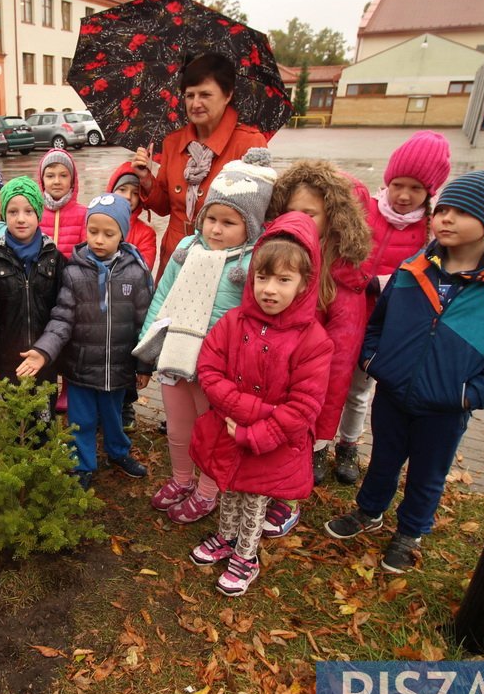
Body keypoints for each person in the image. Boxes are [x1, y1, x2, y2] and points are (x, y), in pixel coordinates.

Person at [324, 170, 484, 574]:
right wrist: (374, 362)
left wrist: (467, 395)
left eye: (461, 213)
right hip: (392, 393)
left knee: (428, 472)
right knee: (384, 458)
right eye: (443, 210)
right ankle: (368, 511)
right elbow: (377, 325)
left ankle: (410, 531)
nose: (446, 219)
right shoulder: (412, 269)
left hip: (445, 406)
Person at [187, 213, 333, 596]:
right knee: (229, 488)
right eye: (262, 278)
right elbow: (209, 368)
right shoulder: (235, 322)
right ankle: (225, 537)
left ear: (304, 285)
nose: (270, 289)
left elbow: (303, 406)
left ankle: (245, 557)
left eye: (284, 280)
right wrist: (244, 410)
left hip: (271, 444)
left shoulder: (312, 340)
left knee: (254, 501)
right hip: (230, 431)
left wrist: (256, 427)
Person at [136, 149, 276, 525]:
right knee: (179, 427)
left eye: (229, 222)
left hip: (217, 368)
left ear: (252, 224)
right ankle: (182, 478)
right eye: (211, 218)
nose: (215, 229)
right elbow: (162, 295)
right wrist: (148, 346)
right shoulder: (185, 249)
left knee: (211, 432)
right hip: (176, 353)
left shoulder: (251, 264)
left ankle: (208, 490)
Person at [332, 131, 451, 485]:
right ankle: (318, 444)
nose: (403, 195)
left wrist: (385, 284)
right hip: (346, 312)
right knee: (329, 384)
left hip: (386, 325)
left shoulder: (432, 229)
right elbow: (339, 253)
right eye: (398, 184)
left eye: (415, 188)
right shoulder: (364, 210)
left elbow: (431, 280)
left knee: (358, 390)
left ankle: (348, 444)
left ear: (430, 191)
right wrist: (362, 280)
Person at [17, 195, 153, 490]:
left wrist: (144, 365)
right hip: (79, 369)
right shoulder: (74, 272)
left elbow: (144, 322)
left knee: (114, 418)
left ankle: (118, 453)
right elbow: (61, 319)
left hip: (118, 368)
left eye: (109, 233)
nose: (99, 240)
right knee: (81, 421)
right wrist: (43, 352)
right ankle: (82, 464)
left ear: (122, 234)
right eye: (93, 232)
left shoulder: (136, 272)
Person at [264, 161, 372, 523]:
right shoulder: (283, 256)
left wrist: (323, 431)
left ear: (334, 217)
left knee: (298, 442)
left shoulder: (343, 279)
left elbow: (340, 367)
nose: (300, 219)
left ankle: (290, 496)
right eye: (291, 211)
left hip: (312, 388)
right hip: (278, 375)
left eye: (310, 213)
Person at [131, 53, 269, 282]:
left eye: (205, 95)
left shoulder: (249, 143)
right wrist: (146, 178)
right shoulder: (173, 142)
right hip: (175, 253)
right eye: (189, 95)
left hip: (222, 258)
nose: (195, 104)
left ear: (227, 95)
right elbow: (165, 206)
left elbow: (258, 216)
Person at [0, 176, 65, 390]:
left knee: (44, 416)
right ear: (4, 215)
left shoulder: (55, 259)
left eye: (28, 211)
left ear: (38, 214)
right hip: (8, 360)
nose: (21, 219)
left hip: (44, 356)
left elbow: (62, 311)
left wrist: (57, 355)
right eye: (13, 212)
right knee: (15, 419)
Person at [109, 160, 159, 431]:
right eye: (123, 189)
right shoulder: (97, 220)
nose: (128, 197)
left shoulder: (145, 233)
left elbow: (143, 268)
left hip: (128, 305)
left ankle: (127, 403)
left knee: (127, 356)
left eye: (135, 192)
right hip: (101, 303)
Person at [38, 148, 88, 258]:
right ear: (42, 180)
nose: (57, 181)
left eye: (63, 175)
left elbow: (86, 253)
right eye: (50, 176)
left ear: (72, 180)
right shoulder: (35, 212)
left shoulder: (84, 214)